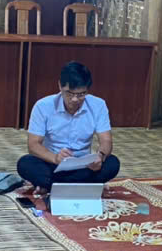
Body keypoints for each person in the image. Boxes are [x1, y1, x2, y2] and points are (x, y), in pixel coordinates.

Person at [16, 61, 120, 193]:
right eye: (69, 93)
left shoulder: (98, 105)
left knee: (112, 163)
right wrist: (55, 158)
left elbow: (106, 140)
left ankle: (53, 186)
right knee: (25, 163)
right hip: (53, 164)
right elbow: (33, 145)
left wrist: (100, 156)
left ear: (87, 90)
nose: (75, 99)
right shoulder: (43, 106)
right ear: (60, 85)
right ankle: (85, 186)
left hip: (84, 165)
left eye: (81, 94)